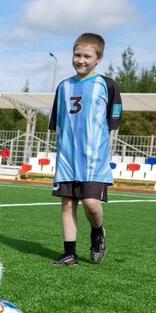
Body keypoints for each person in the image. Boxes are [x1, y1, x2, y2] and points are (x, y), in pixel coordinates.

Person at [49, 32, 122, 266]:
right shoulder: (63, 87)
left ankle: (97, 232)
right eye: (77, 55)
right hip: (67, 157)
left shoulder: (107, 85)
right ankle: (69, 253)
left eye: (87, 56)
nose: (81, 60)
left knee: (91, 204)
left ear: (98, 58)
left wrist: (106, 149)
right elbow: (58, 123)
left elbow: (113, 121)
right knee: (67, 203)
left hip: (93, 158)